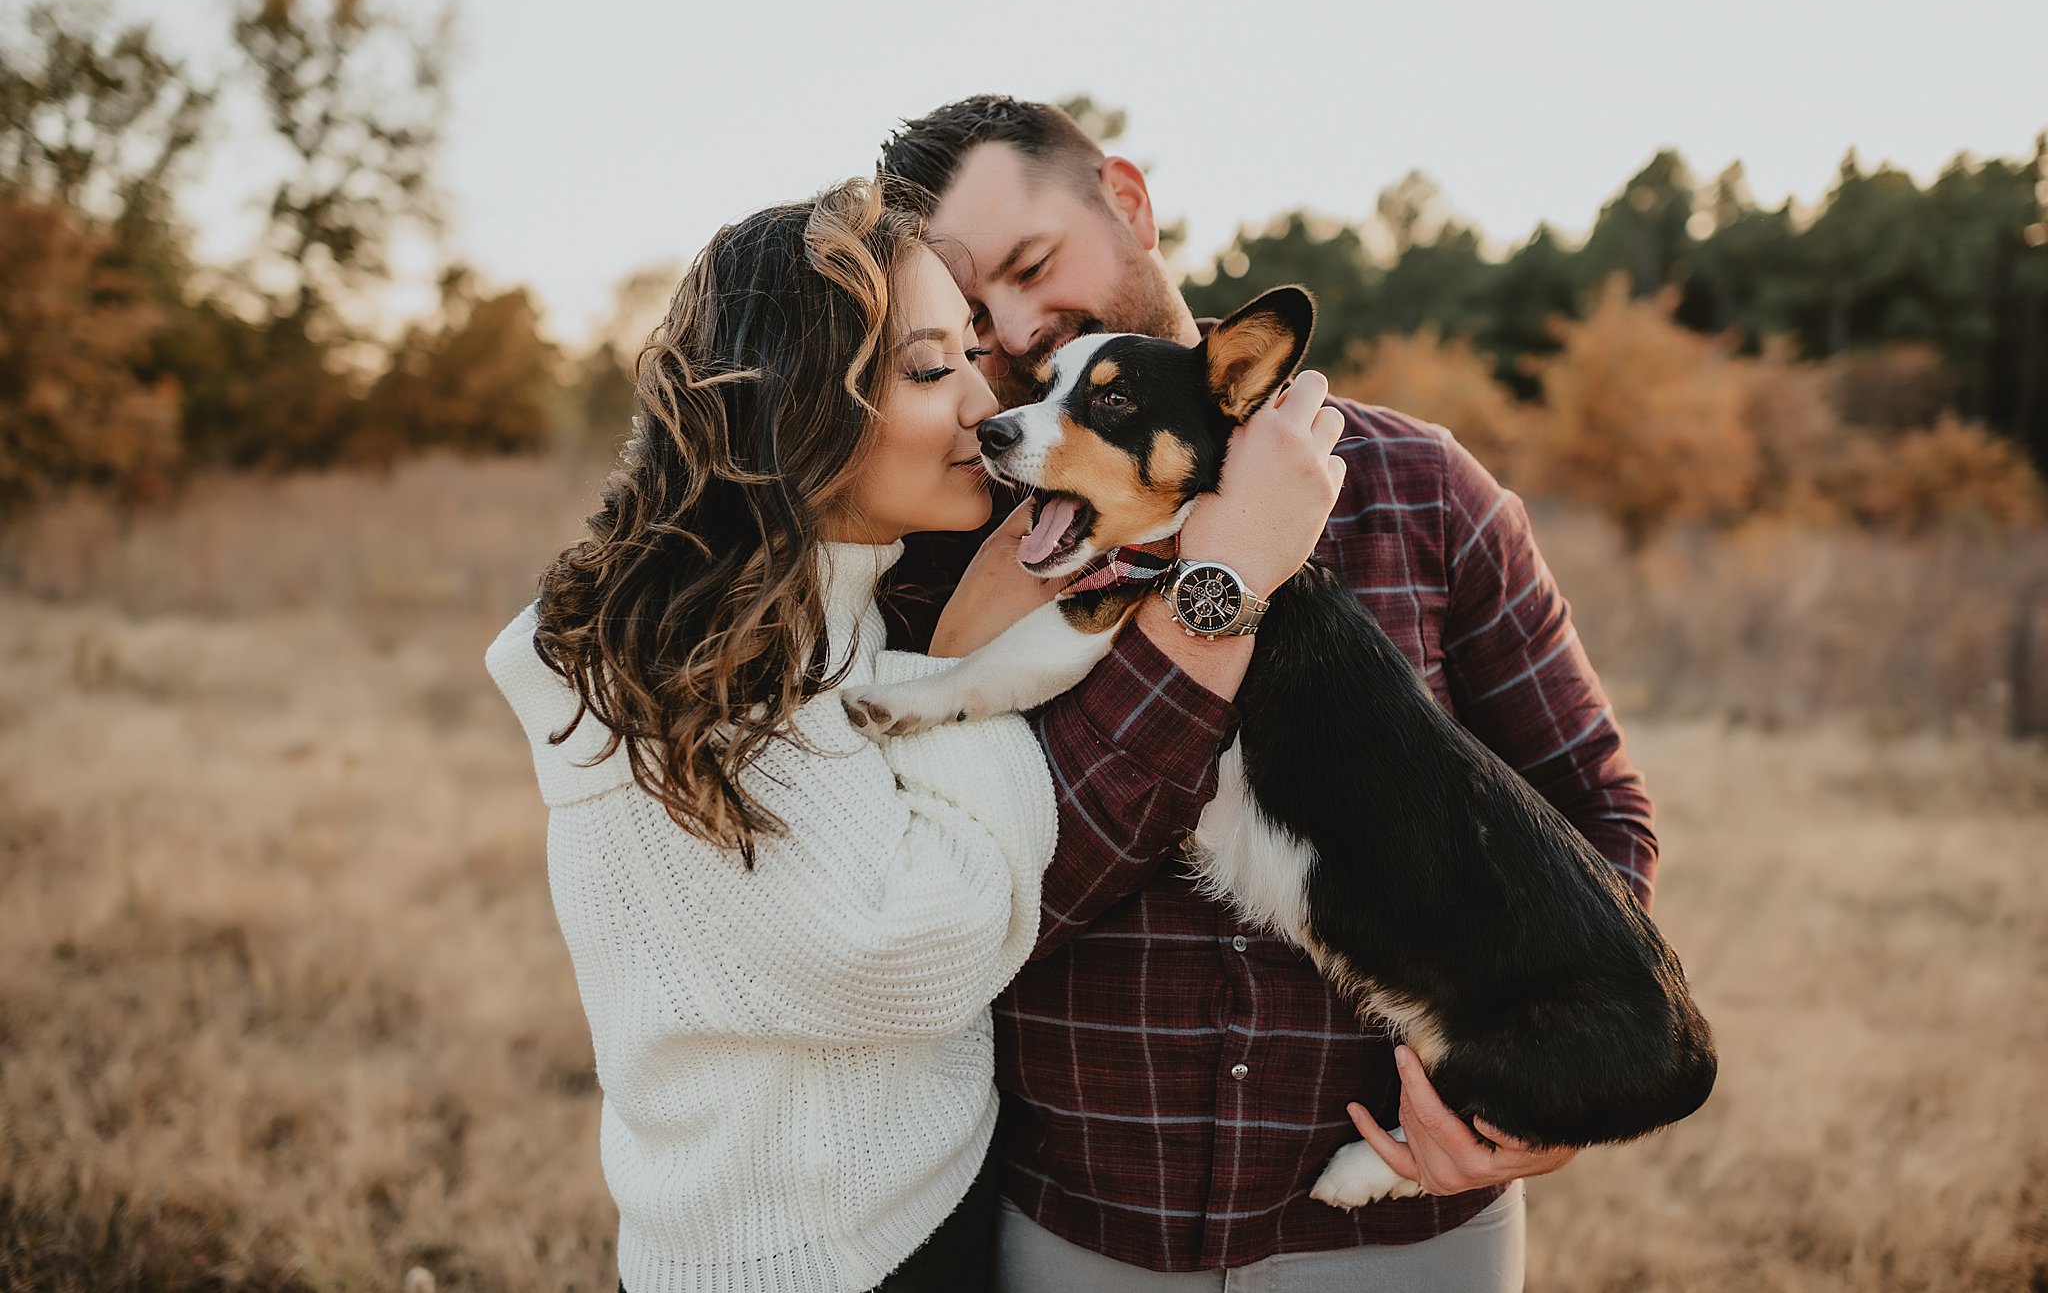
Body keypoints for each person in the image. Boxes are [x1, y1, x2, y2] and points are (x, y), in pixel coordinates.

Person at [875, 97, 1660, 1290]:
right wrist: (1221, 583)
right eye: (974, 315)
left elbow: (1597, 818)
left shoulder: (1419, 486)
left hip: (1408, 1233)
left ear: (1127, 203)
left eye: (1034, 265)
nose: (1023, 330)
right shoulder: (963, 541)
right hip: (1084, 1227)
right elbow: (976, 903)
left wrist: (1548, 1075)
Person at [486, 179, 1069, 1293]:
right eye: (927, 366)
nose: (980, 404)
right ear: (796, 398)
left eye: (972, 356)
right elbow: (906, 947)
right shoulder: (699, 667)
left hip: (886, 1217)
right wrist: (967, 676)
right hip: (820, 1258)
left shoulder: (799, 613)